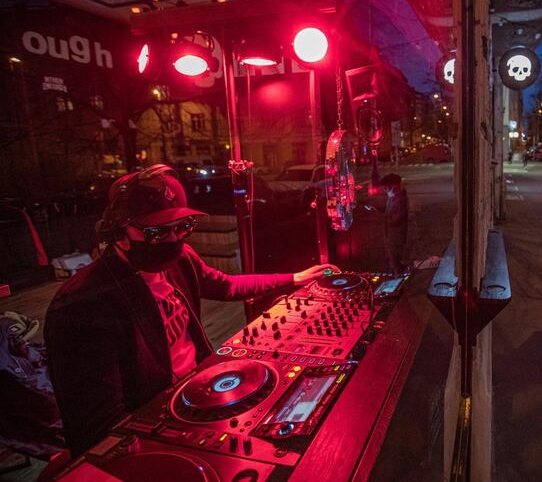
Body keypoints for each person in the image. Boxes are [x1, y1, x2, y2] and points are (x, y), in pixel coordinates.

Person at [44, 164, 338, 455]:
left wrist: (295, 278)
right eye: (157, 232)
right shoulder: (83, 307)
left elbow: (226, 285)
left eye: (182, 227)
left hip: (200, 395)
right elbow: (100, 431)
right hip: (159, 431)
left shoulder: (182, 259)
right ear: (118, 232)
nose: (174, 240)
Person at [365, 173, 409, 276]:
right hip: (391, 236)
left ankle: (399, 280)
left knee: (396, 261)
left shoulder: (401, 200)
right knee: (393, 260)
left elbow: (395, 220)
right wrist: (378, 210)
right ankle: (397, 275)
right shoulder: (393, 197)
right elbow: (388, 211)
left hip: (397, 237)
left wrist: (377, 215)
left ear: (394, 187)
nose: (384, 191)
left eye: (385, 188)